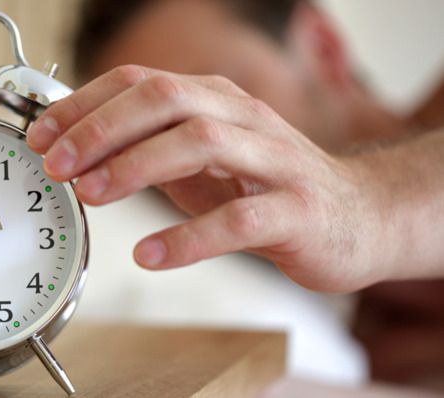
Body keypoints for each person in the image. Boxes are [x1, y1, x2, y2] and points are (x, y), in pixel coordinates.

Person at [29, 0, 444, 390]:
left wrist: (360, 204)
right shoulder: (366, 348)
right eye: (147, 140)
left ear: (321, 47)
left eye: (221, 97)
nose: (189, 157)